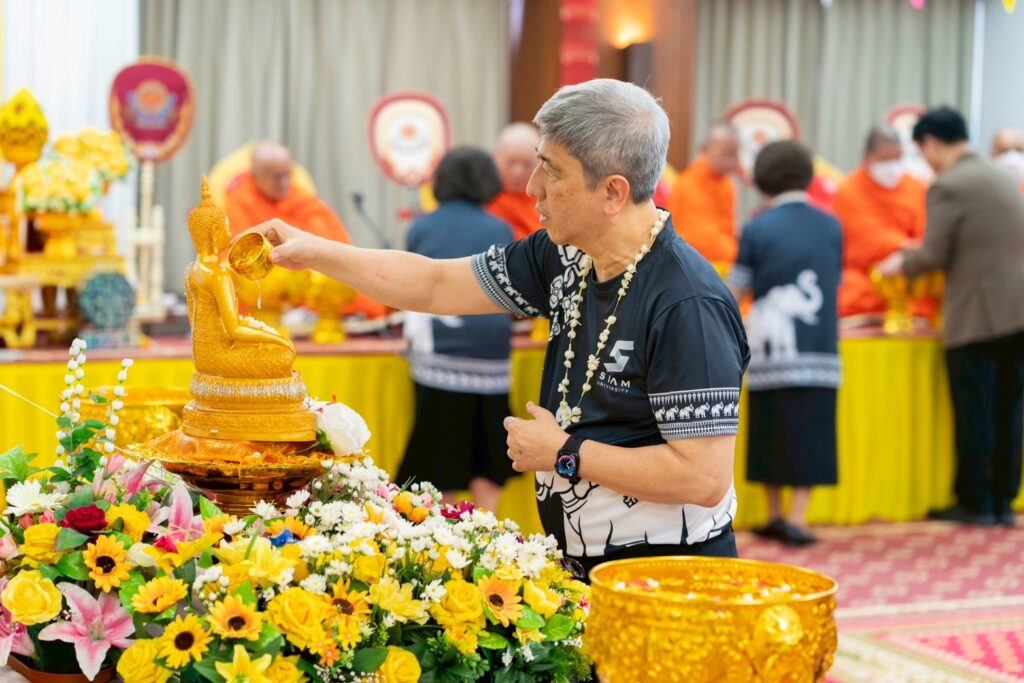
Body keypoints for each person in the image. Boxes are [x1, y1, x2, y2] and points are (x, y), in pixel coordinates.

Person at [242, 79, 749, 576]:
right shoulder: (565, 257)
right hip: (587, 565)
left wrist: (565, 453)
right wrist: (313, 251)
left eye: (551, 170)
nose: (532, 188)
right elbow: (435, 284)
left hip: (669, 579)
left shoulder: (687, 302)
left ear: (613, 192)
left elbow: (702, 477)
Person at [880, 106, 1024, 526]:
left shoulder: (949, 184)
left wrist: (898, 265)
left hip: (979, 315)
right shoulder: (1001, 176)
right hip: (1016, 311)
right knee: (1010, 410)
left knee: (975, 411)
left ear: (930, 143)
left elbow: (934, 254)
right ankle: (1002, 500)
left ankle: (975, 502)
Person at [728, 141, 842, 546]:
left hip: (769, 349)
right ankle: (798, 517)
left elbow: (736, 288)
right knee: (813, 429)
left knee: (769, 430)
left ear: (762, 180)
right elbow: (836, 283)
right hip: (820, 347)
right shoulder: (831, 225)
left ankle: (774, 513)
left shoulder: (758, 227)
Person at [396, 147, 517, 512]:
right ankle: (489, 530)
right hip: (491, 354)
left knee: (440, 460)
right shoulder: (500, 228)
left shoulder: (421, 228)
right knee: (488, 454)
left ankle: (442, 535)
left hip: (440, 353)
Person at [225, 140, 386, 319]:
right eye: (276, 177)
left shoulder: (302, 200)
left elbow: (335, 247)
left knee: (358, 291)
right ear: (256, 175)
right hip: (272, 287)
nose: (284, 182)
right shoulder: (241, 202)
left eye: (287, 174)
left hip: (313, 281)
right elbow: (237, 256)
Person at [834, 127, 927, 319]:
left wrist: (912, 253)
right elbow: (865, 237)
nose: (893, 167)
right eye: (885, 159)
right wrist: (904, 246)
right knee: (850, 290)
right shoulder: (849, 190)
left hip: (909, 269)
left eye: (897, 159)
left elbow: (925, 230)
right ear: (867, 158)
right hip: (866, 274)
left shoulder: (915, 187)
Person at [666, 123, 741, 265]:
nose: (733, 161)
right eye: (727, 154)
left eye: (735, 155)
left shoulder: (727, 185)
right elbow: (699, 240)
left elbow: (729, 230)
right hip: (697, 265)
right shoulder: (689, 184)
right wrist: (737, 253)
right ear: (704, 149)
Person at [486, 123, 542, 240]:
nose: (518, 173)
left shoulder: (547, 200)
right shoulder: (484, 200)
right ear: (495, 159)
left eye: (527, 164)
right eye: (510, 162)